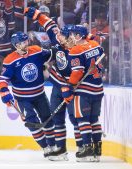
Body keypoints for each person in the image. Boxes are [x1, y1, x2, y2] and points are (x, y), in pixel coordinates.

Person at [24, 7, 84, 161]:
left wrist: (70, 87)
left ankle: (82, 147)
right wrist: (38, 15)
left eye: (64, 36)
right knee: (57, 118)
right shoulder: (59, 42)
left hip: (74, 89)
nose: (60, 37)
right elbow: (50, 25)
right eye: (62, 35)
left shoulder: (77, 51)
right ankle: (61, 149)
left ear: (72, 37)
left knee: (75, 118)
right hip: (58, 87)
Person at [0, 31, 56, 158]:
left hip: (39, 94)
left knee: (47, 119)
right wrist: (4, 92)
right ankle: (45, 147)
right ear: (16, 45)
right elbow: (2, 79)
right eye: (22, 42)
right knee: (32, 122)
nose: (25, 44)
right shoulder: (10, 60)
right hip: (23, 99)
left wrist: (60, 48)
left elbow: (52, 54)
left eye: (26, 41)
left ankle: (53, 146)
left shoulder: (36, 50)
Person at [66, 25, 105, 162]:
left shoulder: (76, 50)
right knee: (94, 120)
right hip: (98, 88)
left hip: (83, 90)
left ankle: (87, 148)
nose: (71, 37)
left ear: (78, 36)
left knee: (83, 120)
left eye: (73, 35)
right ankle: (97, 150)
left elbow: (77, 72)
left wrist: (70, 86)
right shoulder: (95, 44)